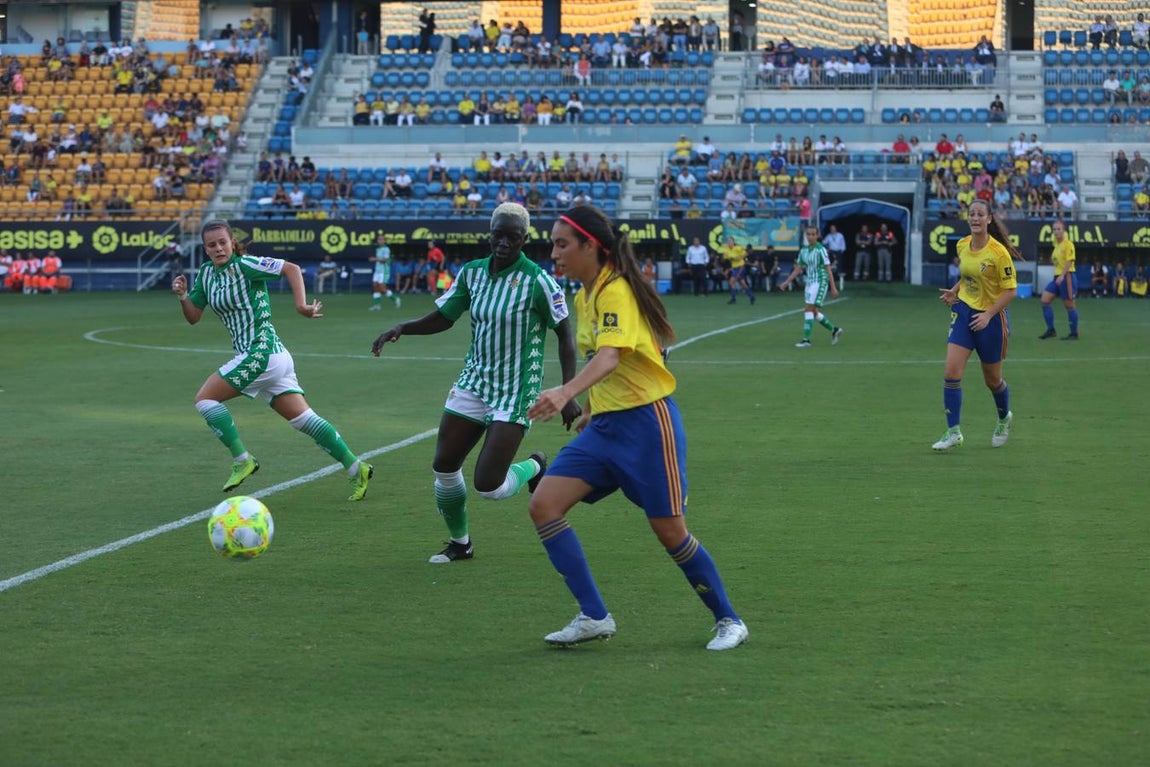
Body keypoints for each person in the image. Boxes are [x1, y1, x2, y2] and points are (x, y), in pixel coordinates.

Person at [525, 204, 748, 651]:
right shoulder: (585, 294)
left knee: (670, 532)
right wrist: (591, 406)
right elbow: (607, 360)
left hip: (648, 427)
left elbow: (610, 357)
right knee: (543, 505)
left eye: (562, 244)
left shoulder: (616, 291)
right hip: (605, 429)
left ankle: (729, 619)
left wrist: (565, 393)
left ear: (591, 246)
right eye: (552, 244)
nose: (554, 253)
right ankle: (593, 615)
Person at [370, 203, 581, 563]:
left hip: (515, 392)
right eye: (497, 234)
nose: (502, 243)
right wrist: (403, 328)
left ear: (524, 240)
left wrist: (568, 391)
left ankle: (535, 465)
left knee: (489, 486)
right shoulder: (472, 274)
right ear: (490, 233)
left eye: (511, 237)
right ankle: (460, 543)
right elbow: (444, 316)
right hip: (474, 382)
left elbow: (566, 336)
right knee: (444, 466)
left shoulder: (538, 281)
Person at [171, 219, 373, 500]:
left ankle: (243, 460)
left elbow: (291, 268)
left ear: (232, 242)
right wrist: (182, 297)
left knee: (205, 400)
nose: (218, 248)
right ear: (205, 249)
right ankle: (357, 468)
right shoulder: (207, 275)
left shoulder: (246, 265)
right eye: (212, 245)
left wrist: (301, 306)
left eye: (223, 242)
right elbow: (194, 316)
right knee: (303, 420)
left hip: (262, 352)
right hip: (269, 356)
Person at [933, 199, 1018, 452]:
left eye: (980, 214)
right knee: (951, 372)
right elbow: (967, 274)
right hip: (964, 312)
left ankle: (1004, 418)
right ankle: (954, 432)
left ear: (989, 219)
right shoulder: (962, 245)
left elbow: (1010, 291)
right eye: (971, 214)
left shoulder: (998, 253)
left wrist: (989, 314)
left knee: (993, 381)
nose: (975, 218)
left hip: (991, 320)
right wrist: (955, 291)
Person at [778, 225, 843, 348]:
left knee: (808, 309)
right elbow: (798, 268)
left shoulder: (821, 250)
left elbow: (828, 269)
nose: (810, 236)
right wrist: (787, 282)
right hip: (810, 282)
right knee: (813, 311)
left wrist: (833, 287)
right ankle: (834, 330)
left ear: (817, 235)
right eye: (808, 234)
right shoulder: (804, 250)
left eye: (813, 234)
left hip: (820, 280)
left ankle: (806, 340)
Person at [1038, 219, 1079, 340]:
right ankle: (1051, 330)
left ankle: (1074, 333)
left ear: (1064, 231)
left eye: (1058, 229)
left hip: (1067, 276)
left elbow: (1070, 260)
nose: (1056, 231)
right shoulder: (1056, 245)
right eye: (1054, 229)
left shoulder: (1068, 244)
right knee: (1045, 300)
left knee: (1069, 305)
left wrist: (1062, 275)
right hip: (1057, 277)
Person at [369, 233, 401, 311]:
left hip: (384, 271)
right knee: (375, 287)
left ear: (384, 241)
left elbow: (385, 260)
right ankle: (377, 305)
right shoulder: (378, 249)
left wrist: (375, 259)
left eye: (382, 239)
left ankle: (396, 299)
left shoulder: (386, 249)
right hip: (377, 271)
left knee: (382, 289)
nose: (380, 241)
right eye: (379, 239)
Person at [721, 235, 755, 305]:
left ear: (733, 242)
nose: (729, 242)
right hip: (734, 268)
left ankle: (733, 298)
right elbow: (724, 258)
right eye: (728, 241)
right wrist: (724, 258)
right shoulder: (727, 249)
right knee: (742, 284)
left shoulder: (738, 248)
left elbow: (746, 253)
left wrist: (739, 257)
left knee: (731, 282)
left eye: (730, 241)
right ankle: (751, 296)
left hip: (740, 267)